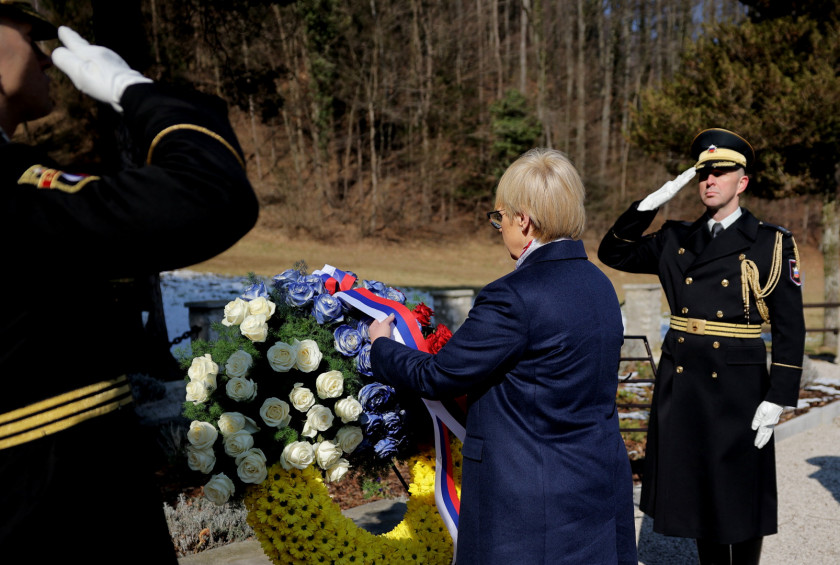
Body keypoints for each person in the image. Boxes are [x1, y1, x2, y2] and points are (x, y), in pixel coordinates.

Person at [0, 4, 258, 562]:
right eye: (28, 33)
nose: (48, 56)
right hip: (51, 509)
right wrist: (137, 93)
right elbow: (203, 196)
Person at [369, 148, 638, 565]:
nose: (499, 229)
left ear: (523, 220)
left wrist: (382, 346)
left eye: (500, 218)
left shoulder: (513, 295)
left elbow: (439, 375)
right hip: (594, 483)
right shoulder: (600, 284)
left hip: (527, 504)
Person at [598, 128, 805, 565]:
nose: (710, 181)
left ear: (742, 181)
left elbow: (790, 325)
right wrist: (650, 204)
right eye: (702, 174)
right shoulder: (675, 238)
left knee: (740, 492)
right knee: (699, 493)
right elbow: (612, 253)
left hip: (738, 384)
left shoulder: (769, 242)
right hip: (685, 380)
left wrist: (780, 395)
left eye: (721, 172)